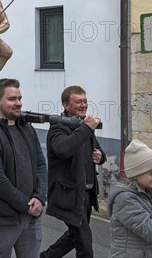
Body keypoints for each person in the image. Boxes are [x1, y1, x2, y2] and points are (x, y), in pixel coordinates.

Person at [0, 78, 47, 258]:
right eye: (12, 99)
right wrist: (27, 205)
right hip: (1, 219)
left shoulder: (27, 129)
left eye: (20, 98)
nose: (18, 103)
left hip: (31, 217)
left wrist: (39, 197)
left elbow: (40, 165)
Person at [41, 85, 106, 258]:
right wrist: (86, 128)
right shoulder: (57, 129)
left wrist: (101, 156)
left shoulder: (84, 126)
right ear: (66, 105)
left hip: (86, 194)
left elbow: (97, 150)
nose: (83, 105)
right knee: (85, 244)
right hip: (69, 195)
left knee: (74, 236)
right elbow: (63, 149)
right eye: (78, 102)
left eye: (85, 101)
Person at [108, 139, 152, 257]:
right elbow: (149, 231)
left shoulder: (146, 193)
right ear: (136, 174)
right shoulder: (124, 198)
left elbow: (147, 223)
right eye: (151, 173)